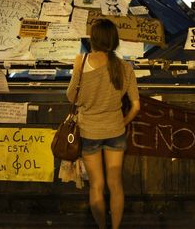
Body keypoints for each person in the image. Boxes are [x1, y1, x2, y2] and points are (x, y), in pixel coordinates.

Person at [66, 18, 140, 229]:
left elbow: (72, 97)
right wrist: (121, 123)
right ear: (115, 41)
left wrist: (77, 68)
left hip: (89, 133)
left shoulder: (82, 61)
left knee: (96, 186)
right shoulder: (125, 68)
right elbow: (136, 107)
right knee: (116, 184)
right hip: (115, 131)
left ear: (93, 39)